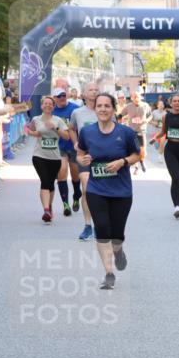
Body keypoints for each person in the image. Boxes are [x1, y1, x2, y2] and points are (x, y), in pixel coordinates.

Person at [75, 92, 141, 290]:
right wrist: (83, 160)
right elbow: (80, 154)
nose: (103, 109)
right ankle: (109, 273)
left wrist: (122, 162)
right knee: (102, 229)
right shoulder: (87, 132)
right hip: (96, 189)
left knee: (117, 235)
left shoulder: (126, 133)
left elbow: (137, 155)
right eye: (99, 106)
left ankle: (118, 250)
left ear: (113, 109)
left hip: (121, 191)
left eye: (107, 106)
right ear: (95, 109)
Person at [25, 96, 72, 222]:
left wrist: (55, 128)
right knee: (45, 181)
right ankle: (46, 210)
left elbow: (67, 137)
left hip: (55, 157)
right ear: (41, 106)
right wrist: (29, 132)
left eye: (50, 104)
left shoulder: (58, 120)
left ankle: (49, 206)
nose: (47, 105)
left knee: (50, 183)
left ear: (53, 106)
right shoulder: (36, 119)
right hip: (39, 156)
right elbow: (34, 131)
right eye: (45, 103)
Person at [69, 82, 101, 240]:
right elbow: (71, 128)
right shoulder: (77, 112)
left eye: (96, 90)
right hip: (84, 154)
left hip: (103, 155)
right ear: (84, 93)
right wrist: (76, 143)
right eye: (91, 90)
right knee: (87, 188)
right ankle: (88, 226)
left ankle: (100, 223)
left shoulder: (106, 110)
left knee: (101, 191)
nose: (94, 92)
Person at [50, 87, 80, 217]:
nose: (62, 98)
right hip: (59, 146)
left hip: (74, 146)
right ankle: (66, 204)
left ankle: (76, 196)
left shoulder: (75, 108)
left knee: (75, 175)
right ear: (55, 98)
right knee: (62, 172)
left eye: (63, 95)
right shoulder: (52, 110)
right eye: (59, 96)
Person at [120, 92, 151, 173]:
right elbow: (120, 115)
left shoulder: (145, 105)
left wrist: (146, 120)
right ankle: (133, 166)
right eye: (134, 97)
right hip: (132, 131)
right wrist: (118, 122)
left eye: (137, 97)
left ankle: (142, 161)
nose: (136, 99)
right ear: (132, 98)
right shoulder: (128, 106)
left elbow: (150, 115)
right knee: (133, 149)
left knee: (143, 150)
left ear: (140, 97)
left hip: (142, 130)